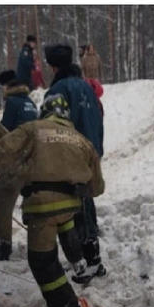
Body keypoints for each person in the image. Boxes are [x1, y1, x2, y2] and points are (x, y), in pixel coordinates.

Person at [0, 94, 105, 307]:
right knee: (64, 224)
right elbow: (97, 187)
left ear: (45, 111)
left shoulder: (33, 129)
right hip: (70, 206)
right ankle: (79, 264)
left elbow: (4, 151)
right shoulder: (81, 140)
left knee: (42, 261)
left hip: (42, 207)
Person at [44, 43, 106, 281]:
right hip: (91, 152)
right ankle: (93, 258)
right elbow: (99, 119)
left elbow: (50, 127)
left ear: (52, 65)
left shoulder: (58, 90)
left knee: (75, 207)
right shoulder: (87, 87)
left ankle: (89, 261)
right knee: (86, 201)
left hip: (71, 155)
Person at [0, 70, 39, 260]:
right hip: (31, 158)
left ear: (7, 87)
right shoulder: (30, 103)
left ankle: (1, 249)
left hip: (15, 160)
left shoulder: (13, 103)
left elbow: (6, 131)